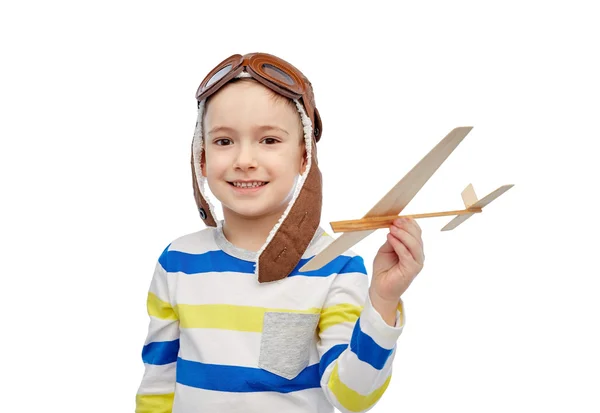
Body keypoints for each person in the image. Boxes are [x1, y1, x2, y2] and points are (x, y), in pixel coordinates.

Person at [135, 53, 425, 413]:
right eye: (224, 141)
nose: (244, 159)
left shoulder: (335, 267)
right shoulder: (178, 262)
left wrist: (382, 301)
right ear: (202, 157)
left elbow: (353, 397)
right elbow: (158, 382)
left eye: (269, 140)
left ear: (304, 156)